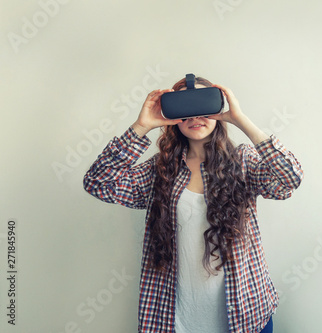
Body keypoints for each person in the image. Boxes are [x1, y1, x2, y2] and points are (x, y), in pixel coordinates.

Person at [83, 75, 304, 333]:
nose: (195, 117)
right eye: (186, 110)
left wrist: (241, 120)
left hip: (245, 313)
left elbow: (290, 179)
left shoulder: (243, 161)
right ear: (175, 117)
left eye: (203, 107)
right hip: (174, 318)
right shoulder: (160, 170)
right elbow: (97, 182)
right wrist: (141, 126)